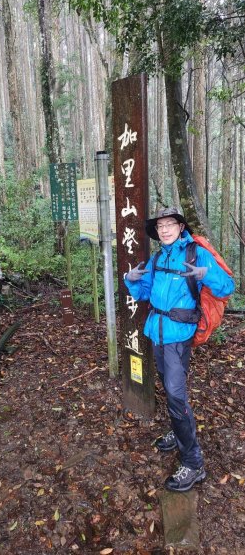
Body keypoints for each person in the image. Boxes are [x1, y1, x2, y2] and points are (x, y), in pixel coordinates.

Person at [124, 207, 235, 492]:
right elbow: (145, 293)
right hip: (157, 332)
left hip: (178, 334)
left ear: (180, 226)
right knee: (170, 388)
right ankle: (178, 430)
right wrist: (132, 280)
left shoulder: (195, 253)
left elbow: (227, 286)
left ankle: (193, 463)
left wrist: (204, 274)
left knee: (175, 393)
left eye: (169, 224)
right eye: (160, 226)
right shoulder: (159, 257)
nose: (164, 229)